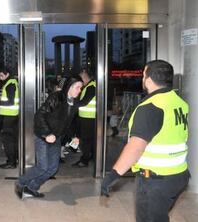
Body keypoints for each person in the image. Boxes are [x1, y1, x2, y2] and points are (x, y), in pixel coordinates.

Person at [101, 60, 190, 222]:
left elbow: (136, 146)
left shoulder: (150, 107)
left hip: (156, 181)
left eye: (143, 75)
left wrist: (112, 176)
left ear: (148, 79)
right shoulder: (179, 102)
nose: (142, 78)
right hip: (179, 176)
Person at [15, 76, 83, 199]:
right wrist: (47, 134)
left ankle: (31, 188)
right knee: (42, 166)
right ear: (70, 86)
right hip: (43, 135)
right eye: (78, 87)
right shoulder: (56, 97)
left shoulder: (74, 103)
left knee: (52, 169)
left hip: (56, 138)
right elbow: (40, 115)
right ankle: (20, 182)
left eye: (81, 88)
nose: (80, 90)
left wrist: (74, 136)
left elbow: (71, 122)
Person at [73, 69, 96, 168]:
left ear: (85, 76)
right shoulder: (88, 86)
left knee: (85, 140)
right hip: (87, 118)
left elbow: (84, 102)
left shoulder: (92, 87)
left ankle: (84, 160)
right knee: (89, 140)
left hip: (89, 118)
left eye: (81, 78)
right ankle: (91, 157)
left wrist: (71, 102)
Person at [0, 70, 20, 169]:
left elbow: (10, 102)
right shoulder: (12, 83)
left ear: (7, 74)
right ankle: (14, 159)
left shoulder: (10, 84)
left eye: (2, 75)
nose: (0, 77)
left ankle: (11, 162)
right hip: (13, 115)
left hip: (10, 116)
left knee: (8, 140)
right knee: (13, 139)